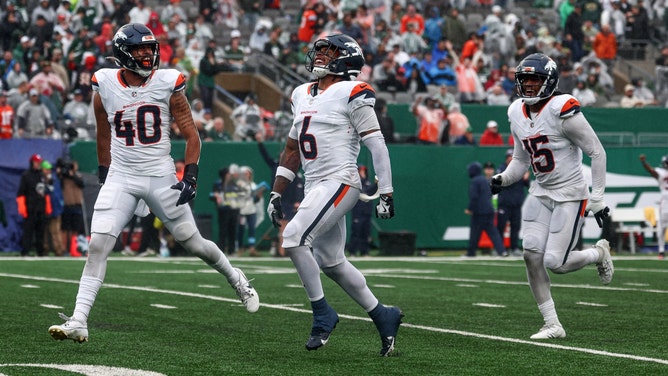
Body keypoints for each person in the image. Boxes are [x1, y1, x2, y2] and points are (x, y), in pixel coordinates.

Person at [48, 23, 260, 343]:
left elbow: (191, 134)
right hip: (122, 175)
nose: (148, 54)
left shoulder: (166, 82)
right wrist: (105, 168)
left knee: (193, 242)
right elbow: (102, 129)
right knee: (97, 245)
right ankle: (79, 319)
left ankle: (237, 279)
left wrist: (190, 174)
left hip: (160, 176)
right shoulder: (104, 83)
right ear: (123, 53)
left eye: (150, 48)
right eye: (140, 49)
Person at [266, 34, 403, 357]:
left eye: (328, 53)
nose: (320, 57)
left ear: (346, 59)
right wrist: (276, 192)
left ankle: (322, 313)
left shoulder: (352, 91)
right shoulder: (301, 93)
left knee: (295, 237)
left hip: (341, 180)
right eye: (320, 51)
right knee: (332, 262)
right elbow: (291, 148)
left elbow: (375, 143)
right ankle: (383, 315)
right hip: (316, 184)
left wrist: (386, 192)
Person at [490, 53, 613, 340]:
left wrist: (598, 198)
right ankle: (552, 324)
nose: (529, 85)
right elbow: (521, 160)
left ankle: (599, 253)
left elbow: (597, 152)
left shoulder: (563, 109)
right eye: (525, 80)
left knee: (556, 263)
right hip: (541, 190)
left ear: (549, 81)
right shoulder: (515, 112)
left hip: (570, 194)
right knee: (531, 254)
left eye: (535, 79)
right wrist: (503, 178)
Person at [464, 161, 507, 257]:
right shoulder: (484, 180)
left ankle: (471, 252)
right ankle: (502, 251)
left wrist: (470, 208)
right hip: (489, 209)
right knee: (493, 232)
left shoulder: (475, 181)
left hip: (479, 211)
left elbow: (474, 197)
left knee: (475, 233)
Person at [16, 154, 51, 257]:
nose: (38, 164)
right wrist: (22, 207)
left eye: (39, 162)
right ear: (32, 163)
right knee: (28, 231)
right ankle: (25, 251)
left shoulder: (42, 176)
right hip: (30, 208)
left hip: (41, 208)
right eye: (36, 162)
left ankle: (40, 251)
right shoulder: (26, 175)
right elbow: (21, 193)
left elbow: (46, 192)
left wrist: (48, 207)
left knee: (40, 231)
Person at [496, 149, 529, 257]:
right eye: (509, 157)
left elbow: (526, 184)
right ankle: (500, 248)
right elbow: (504, 182)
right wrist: (519, 177)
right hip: (504, 204)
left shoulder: (520, 169)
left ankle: (514, 247)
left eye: (512, 157)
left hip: (516, 204)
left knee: (515, 227)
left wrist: (525, 178)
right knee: (501, 226)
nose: (510, 159)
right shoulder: (502, 169)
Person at [639, 154, 668, 260]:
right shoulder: (661, 172)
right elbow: (652, 171)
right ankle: (661, 251)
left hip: (665, 202)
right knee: (663, 227)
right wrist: (644, 163)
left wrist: (644, 163)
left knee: (663, 228)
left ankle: (661, 251)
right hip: (665, 202)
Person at [349, 165, 376, 257]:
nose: (362, 173)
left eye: (364, 171)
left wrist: (377, 184)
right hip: (358, 212)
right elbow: (364, 192)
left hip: (366, 212)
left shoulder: (367, 182)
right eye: (361, 171)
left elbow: (371, 192)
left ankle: (364, 252)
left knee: (366, 233)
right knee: (356, 232)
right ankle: (352, 251)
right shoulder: (356, 183)